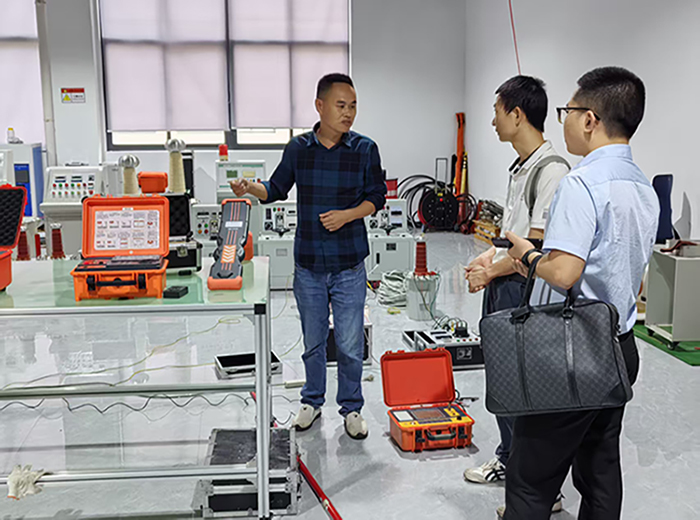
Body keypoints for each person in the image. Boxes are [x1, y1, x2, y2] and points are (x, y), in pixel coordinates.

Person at [501, 66, 660, 519]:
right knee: (600, 470)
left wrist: (529, 256)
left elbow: (565, 272)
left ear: (589, 119)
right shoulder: (643, 187)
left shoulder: (581, 182)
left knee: (530, 479)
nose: (563, 121)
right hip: (621, 346)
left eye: (566, 111)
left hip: (575, 351)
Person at [229, 73, 386, 440]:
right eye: (340, 105)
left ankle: (351, 408)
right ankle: (312, 401)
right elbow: (276, 188)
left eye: (353, 106)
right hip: (310, 265)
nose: (348, 113)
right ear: (319, 106)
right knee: (313, 341)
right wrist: (250, 188)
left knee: (350, 345)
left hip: (349, 263)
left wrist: (347, 215)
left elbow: (377, 197)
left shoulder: (365, 149)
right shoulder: (298, 148)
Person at [463, 76, 570, 500]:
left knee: (525, 386)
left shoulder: (552, 171)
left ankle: (542, 486)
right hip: (505, 287)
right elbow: (514, 236)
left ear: (517, 114)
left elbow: (537, 248)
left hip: (525, 294)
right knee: (504, 381)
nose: (492, 121)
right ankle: (510, 460)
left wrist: (491, 272)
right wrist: (487, 259)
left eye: (496, 112)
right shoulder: (521, 167)